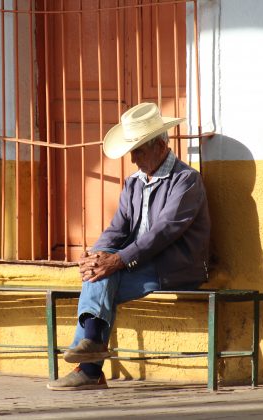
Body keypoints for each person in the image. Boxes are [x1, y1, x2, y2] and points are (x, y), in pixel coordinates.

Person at [47, 102, 211, 391]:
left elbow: (164, 232)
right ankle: (92, 348)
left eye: (138, 150)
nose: (133, 158)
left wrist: (117, 260)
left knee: (104, 276)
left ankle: (89, 365)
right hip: (138, 264)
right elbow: (117, 228)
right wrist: (96, 256)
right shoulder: (133, 183)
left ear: (161, 146)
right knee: (98, 273)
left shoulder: (186, 180)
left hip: (177, 266)